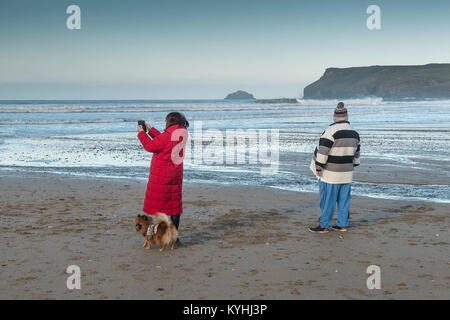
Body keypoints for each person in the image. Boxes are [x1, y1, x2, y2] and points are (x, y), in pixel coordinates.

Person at [308, 102, 360, 233]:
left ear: (335, 117)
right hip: (347, 172)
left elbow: (322, 151)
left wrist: (318, 167)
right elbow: (356, 156)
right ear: (346, 116)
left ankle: (324, 225)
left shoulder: (330, 131)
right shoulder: (354, 133)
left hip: (331, 173)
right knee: (344, 200)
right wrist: (351, 165)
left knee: (327, 200)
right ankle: (342, 224)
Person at [137, 112, 189, 230]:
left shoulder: (168, 135)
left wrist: (141, 133)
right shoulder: (182, 132)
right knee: (174, 204)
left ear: (170, 121)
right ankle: (174, 237)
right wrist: (151, 131)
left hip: (162, 173)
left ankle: (158, 233)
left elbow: (150, 146)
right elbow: (165, 142)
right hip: (175, 173)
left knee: (159, 203)